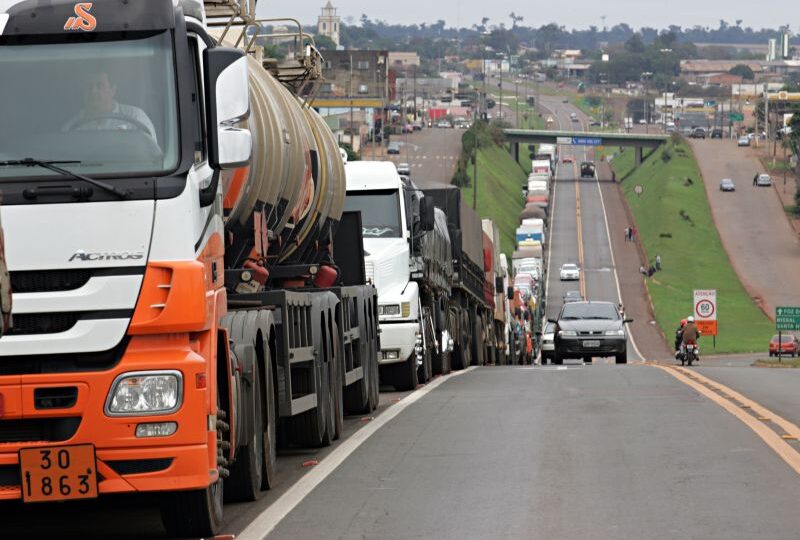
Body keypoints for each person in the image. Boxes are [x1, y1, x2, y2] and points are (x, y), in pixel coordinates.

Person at [63, 72, 157, 142]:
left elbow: (151, 157)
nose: (93, 91)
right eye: (89, 86)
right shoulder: (70, 128)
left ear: (113, 90)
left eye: (99, 86)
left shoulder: (136, 117)